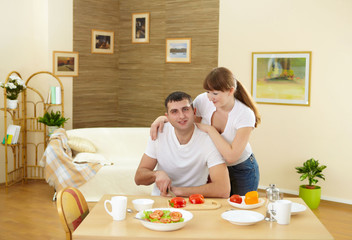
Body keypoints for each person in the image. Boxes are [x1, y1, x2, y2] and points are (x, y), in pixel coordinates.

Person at [150, 67, 261, 196]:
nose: (210, 97)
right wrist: (163, 118)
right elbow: (186, 122)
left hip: (241, 168)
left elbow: (231, 157)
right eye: (208, 91)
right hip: (214, 166)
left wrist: (209, 129)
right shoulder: (203, 100)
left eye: (215, 93)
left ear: (231, 91)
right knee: (218, 210)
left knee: (242, 211)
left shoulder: (245, 114)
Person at [135, 91, 230, 198]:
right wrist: (156, 174)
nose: (181, 116)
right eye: (174, 111)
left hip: (194, 202)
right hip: (161, 201)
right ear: (168, 117)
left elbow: (223, 189)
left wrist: (177, 192)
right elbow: (138, 178)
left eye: (185, 109)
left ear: (194, 111)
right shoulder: (159, 133)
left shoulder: (208, 139)